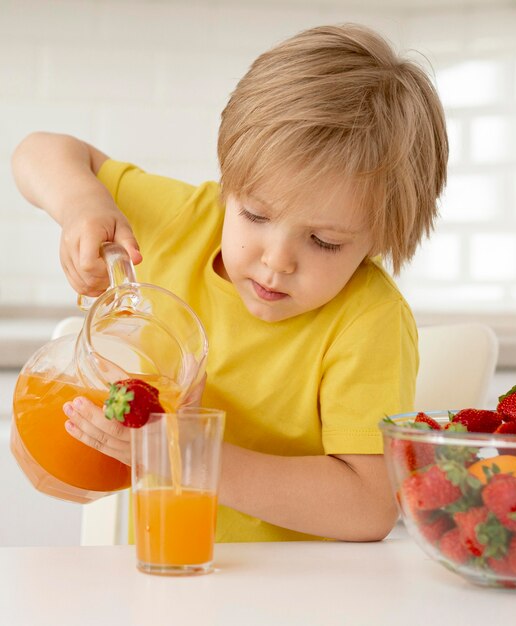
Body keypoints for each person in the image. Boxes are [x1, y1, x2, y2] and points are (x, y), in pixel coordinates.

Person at [11, 24, 448, 542]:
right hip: (159, 576)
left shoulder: (368, 320)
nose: (277, 260)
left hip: (305, 593)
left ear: (378, 240)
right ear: (228, 183)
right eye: (256, 215)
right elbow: (38, 151)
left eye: (325, 241)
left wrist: (182, 449)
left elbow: (368, 507)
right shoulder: (185, 220)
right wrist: (82, 205)